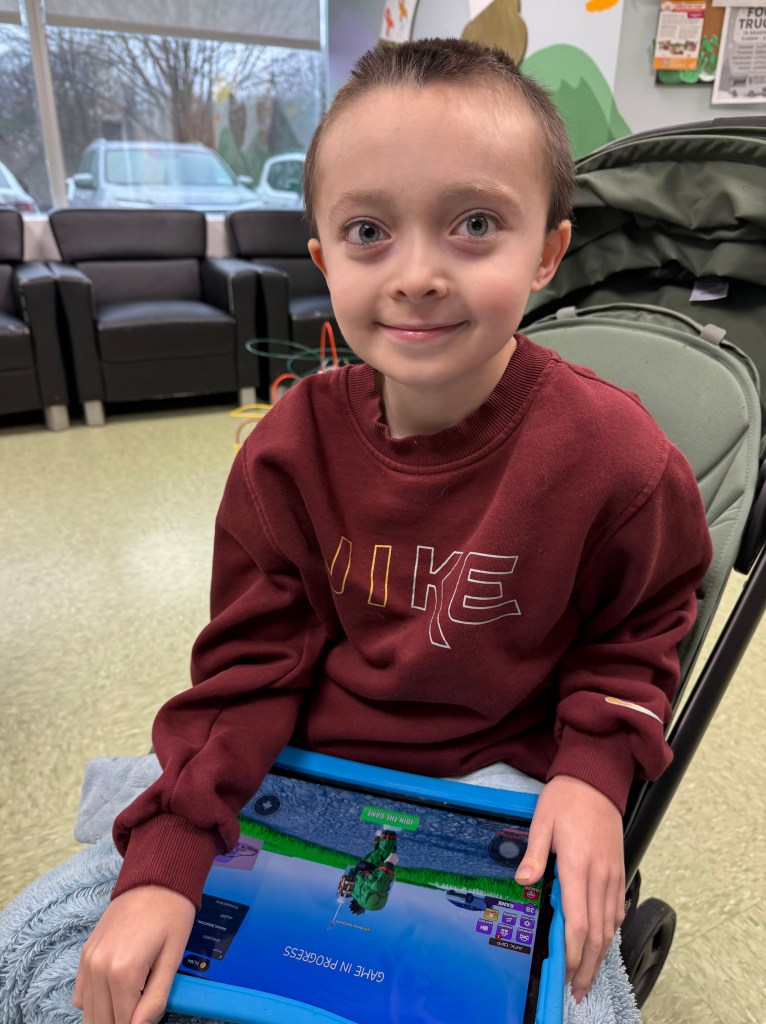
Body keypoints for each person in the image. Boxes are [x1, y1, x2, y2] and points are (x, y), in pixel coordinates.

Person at [73, 37, 712, 1024]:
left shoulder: (618, 457)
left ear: (548, 250)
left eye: (474, 224)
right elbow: (250, 673)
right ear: (324, 260)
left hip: (491, 780)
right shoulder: (288, 452)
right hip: (301, 764)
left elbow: (640, 627)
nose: (416, 274)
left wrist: (593, 772)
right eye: (369, 231)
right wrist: (165, 858)